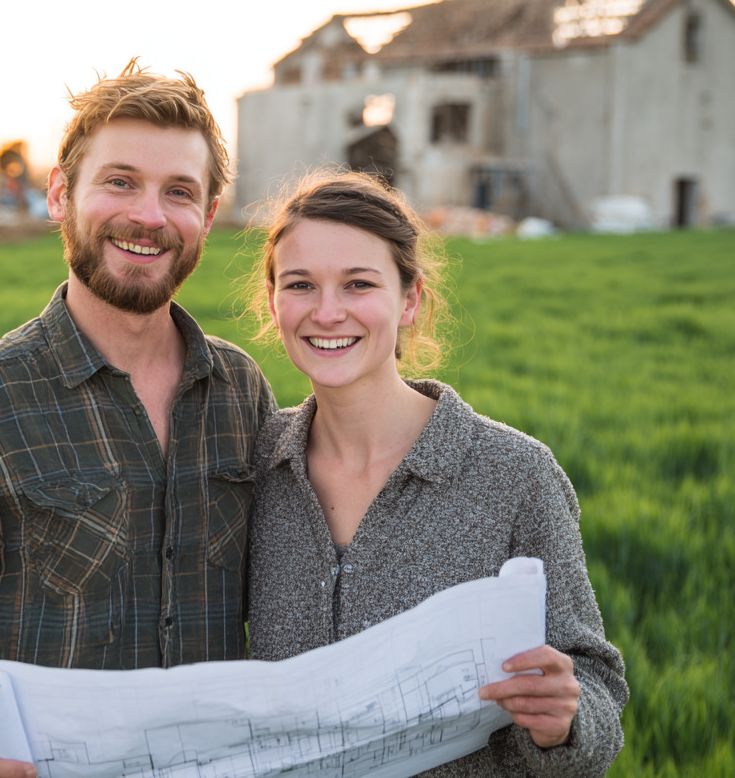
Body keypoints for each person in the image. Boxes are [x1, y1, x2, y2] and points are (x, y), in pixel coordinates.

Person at [0, 61, 275, 778]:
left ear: (208, 214)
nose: (149, 216)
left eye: (179, 192)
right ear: (60, 195)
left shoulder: (240, 391)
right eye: (120, 182)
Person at [245, 170, 627, 776]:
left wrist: (565, 720)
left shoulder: (514, 476)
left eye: (358, 283)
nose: (327, 311)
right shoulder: (255, 465)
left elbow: (595, 683)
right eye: (300, 285)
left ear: (410, 300)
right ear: (274, 300)